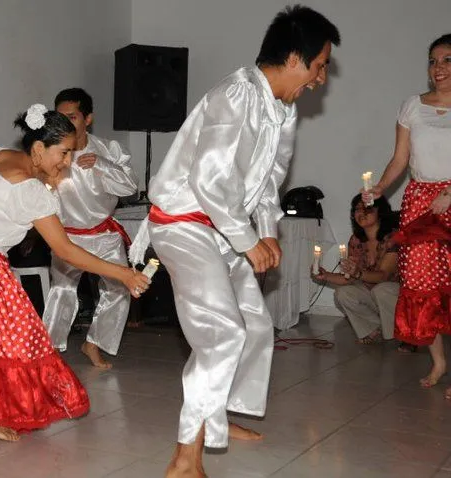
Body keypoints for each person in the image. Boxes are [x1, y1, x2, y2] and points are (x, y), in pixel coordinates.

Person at [127, 6, 340, 477]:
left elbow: (267, 180)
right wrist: (247, 239)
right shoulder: (236, 94)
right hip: (184, 224)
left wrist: (266, 232)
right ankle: (185, 457)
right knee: (223, 335)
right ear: (292, 57)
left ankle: (217, 412)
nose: (321, 78)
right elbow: (210, 178)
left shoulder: (283, 110)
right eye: (320, 64)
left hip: (225, 228)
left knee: (257, 328)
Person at [0, 105, 149, 442]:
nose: (67, 163)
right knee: (16, 335)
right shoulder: (33, 191)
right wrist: (121, 273)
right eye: (63, 153)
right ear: (38, 149)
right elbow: (65, 250)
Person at [364, 34, 451, 400]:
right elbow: (400, 159)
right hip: (421, 203)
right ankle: (439, 361)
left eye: (447, 60)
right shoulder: (412, 106)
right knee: (422, 285)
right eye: (433, 61)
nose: (438, 68)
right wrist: (381, 187)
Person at [42, 88, 138, 369]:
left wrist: (103, 165)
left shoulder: (108, 150)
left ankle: (93, 343)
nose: (66, 122)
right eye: (60, 117)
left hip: (104, 234)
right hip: (67, 237)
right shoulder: (53, 153)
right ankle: (50, 351)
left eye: (72, 116)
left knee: (121, 288)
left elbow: (129, 186)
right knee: (61, 291)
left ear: (88, 118)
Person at [313, 195, 400, 344]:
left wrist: (358, 272)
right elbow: (349, 277)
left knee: (382, 289)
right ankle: (373, 328)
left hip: (396, 295)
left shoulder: (394, 237)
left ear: (381, 211)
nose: (361, 212)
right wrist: (325, 275)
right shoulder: (356, 240)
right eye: (357, 209)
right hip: (372, 295)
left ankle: (399, 332)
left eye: (367, 208)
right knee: (342, 293)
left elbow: (384, 276)